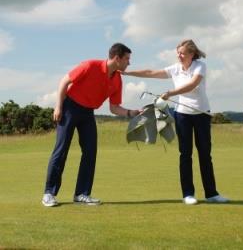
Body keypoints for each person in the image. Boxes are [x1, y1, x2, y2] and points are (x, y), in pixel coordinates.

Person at [123, 39, 229, 205]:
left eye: (182, 53)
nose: (179, 56)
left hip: (202, 114)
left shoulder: (200, 66)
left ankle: (211, 194)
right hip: (183, 116)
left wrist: (170, 93)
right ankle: (188, 194)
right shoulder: (175, 68)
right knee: (185, 154)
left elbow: (192, 85)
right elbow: (151, 72)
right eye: (178, 53)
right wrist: (128, 73)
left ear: (192, 54)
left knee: (205, 154)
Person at [42, 43, 139, 207]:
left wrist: (131, 113)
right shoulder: (90, 65)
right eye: (127, 59)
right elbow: (64, 82)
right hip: (69, 108)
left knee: (90, 152)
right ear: (117, 58)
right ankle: (49, 194)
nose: (129, 63)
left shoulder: (117, 79)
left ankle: (81, 194)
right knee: (61, 149)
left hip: (88, 114)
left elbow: (114, 108)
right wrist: (58, 106)